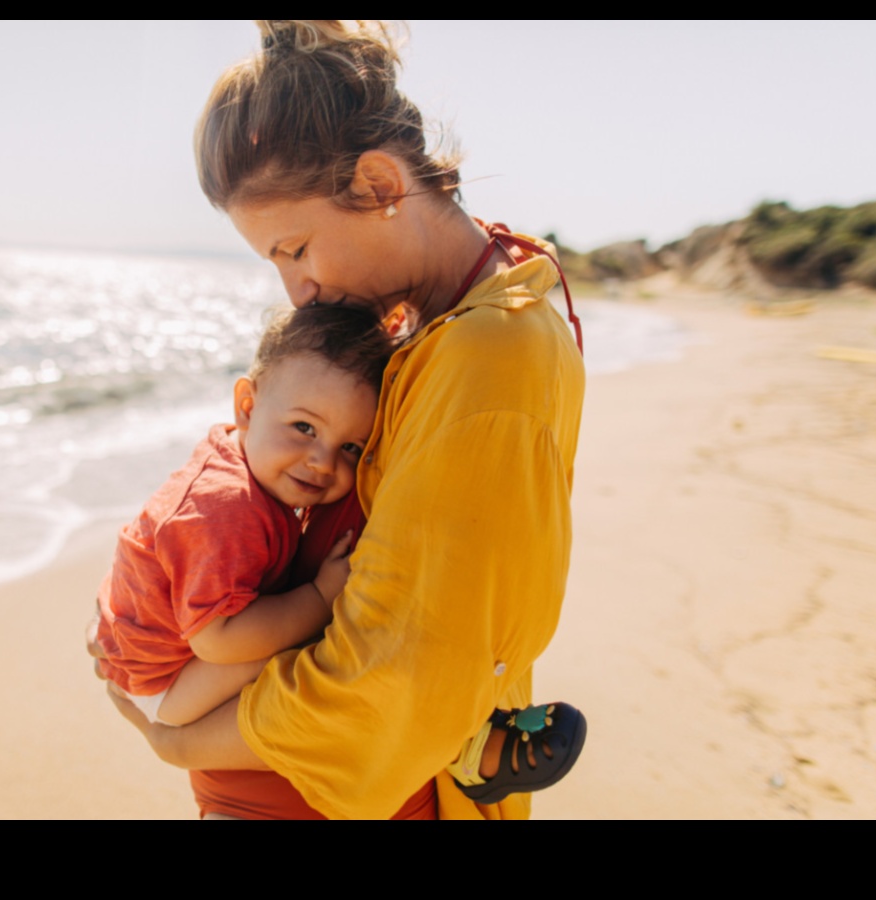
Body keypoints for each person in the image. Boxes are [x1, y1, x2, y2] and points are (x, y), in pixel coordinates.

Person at [91, 19, 587, 820]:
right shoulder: (431, 317)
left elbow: (395, 678)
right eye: (275, 263)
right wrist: (146, 601)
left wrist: (178, 739)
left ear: (382, 186)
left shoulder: (489, 355)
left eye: (297, 249)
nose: (298, 291)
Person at [93, 304, 390, 731]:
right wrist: (321, 598)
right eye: (304, 428)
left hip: (137, 637)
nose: (323, 462)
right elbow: (218, 640)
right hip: (159, 684)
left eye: (351, 448)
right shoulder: (228, 508)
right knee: (293, 649)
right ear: (247, 407)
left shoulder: (242, 452)